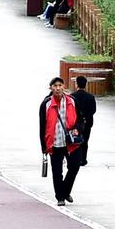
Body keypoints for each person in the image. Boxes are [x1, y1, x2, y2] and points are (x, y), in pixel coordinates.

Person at [37, 77, 84, 205]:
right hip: (55, 143)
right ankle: (60, 197)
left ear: (64, 87)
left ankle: (66, 190)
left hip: (71, 142)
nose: (58, 88)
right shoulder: (46, 104)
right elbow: (42, 126)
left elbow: (81, 120)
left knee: (74, 167)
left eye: (60, 85)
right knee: (57, 172)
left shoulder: (72, 101)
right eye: (55, 86)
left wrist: (77, 130)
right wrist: (44, 147)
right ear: (51, 88)